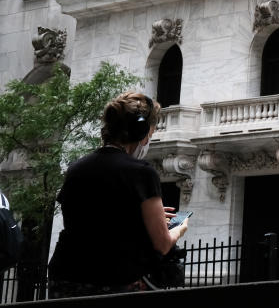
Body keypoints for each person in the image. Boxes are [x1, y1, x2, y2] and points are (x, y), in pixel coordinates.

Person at [47, 92, 191, 296]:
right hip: (114, 281)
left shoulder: (76, 168)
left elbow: (94, 221)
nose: (150, 138)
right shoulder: (142, 172)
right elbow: (162, 244)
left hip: (65, 279)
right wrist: (179, 229)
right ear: (141, 131)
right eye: (151, 132)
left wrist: (144, 218)